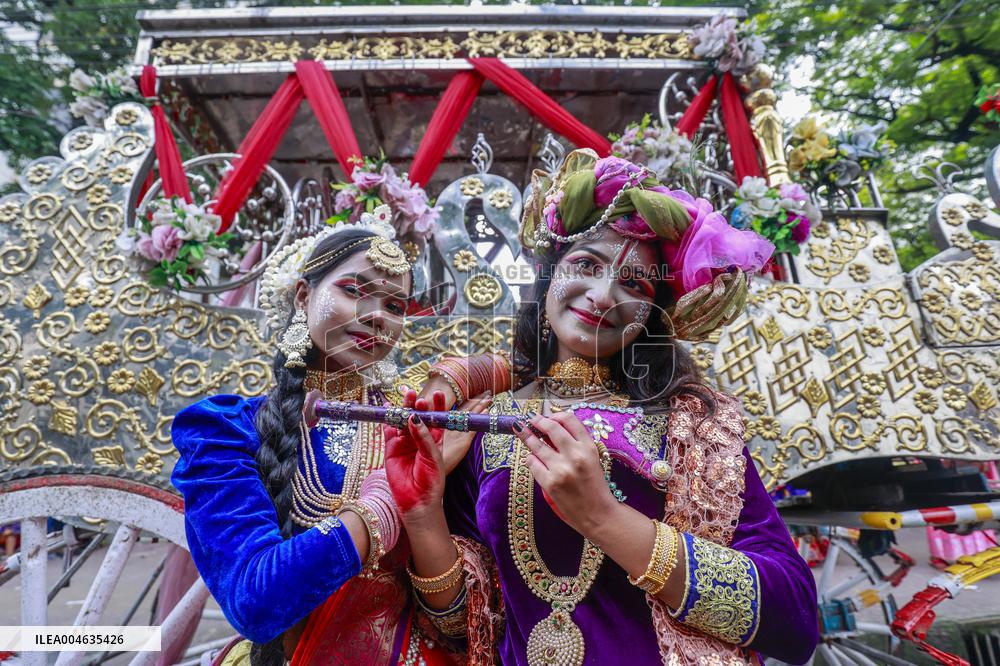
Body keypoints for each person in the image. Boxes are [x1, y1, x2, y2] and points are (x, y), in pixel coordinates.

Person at [386, 151, 820, 665]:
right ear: (548, 277)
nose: (601, 294)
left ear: (649, 316)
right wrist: (421, 517)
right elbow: (465, 627)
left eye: (633, 283)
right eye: (585, 264)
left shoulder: (692, 427)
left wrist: (606, 518)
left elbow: (794, 620)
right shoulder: (485, 421)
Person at [170, 209, 498, 666]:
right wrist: (389, 496)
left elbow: (455, 624)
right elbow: (257, 602)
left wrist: (423, 504)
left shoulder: (417, 429)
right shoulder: (226, 431)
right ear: (304, 296)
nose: (376, 317)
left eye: (395, 306)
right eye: (353, 291)